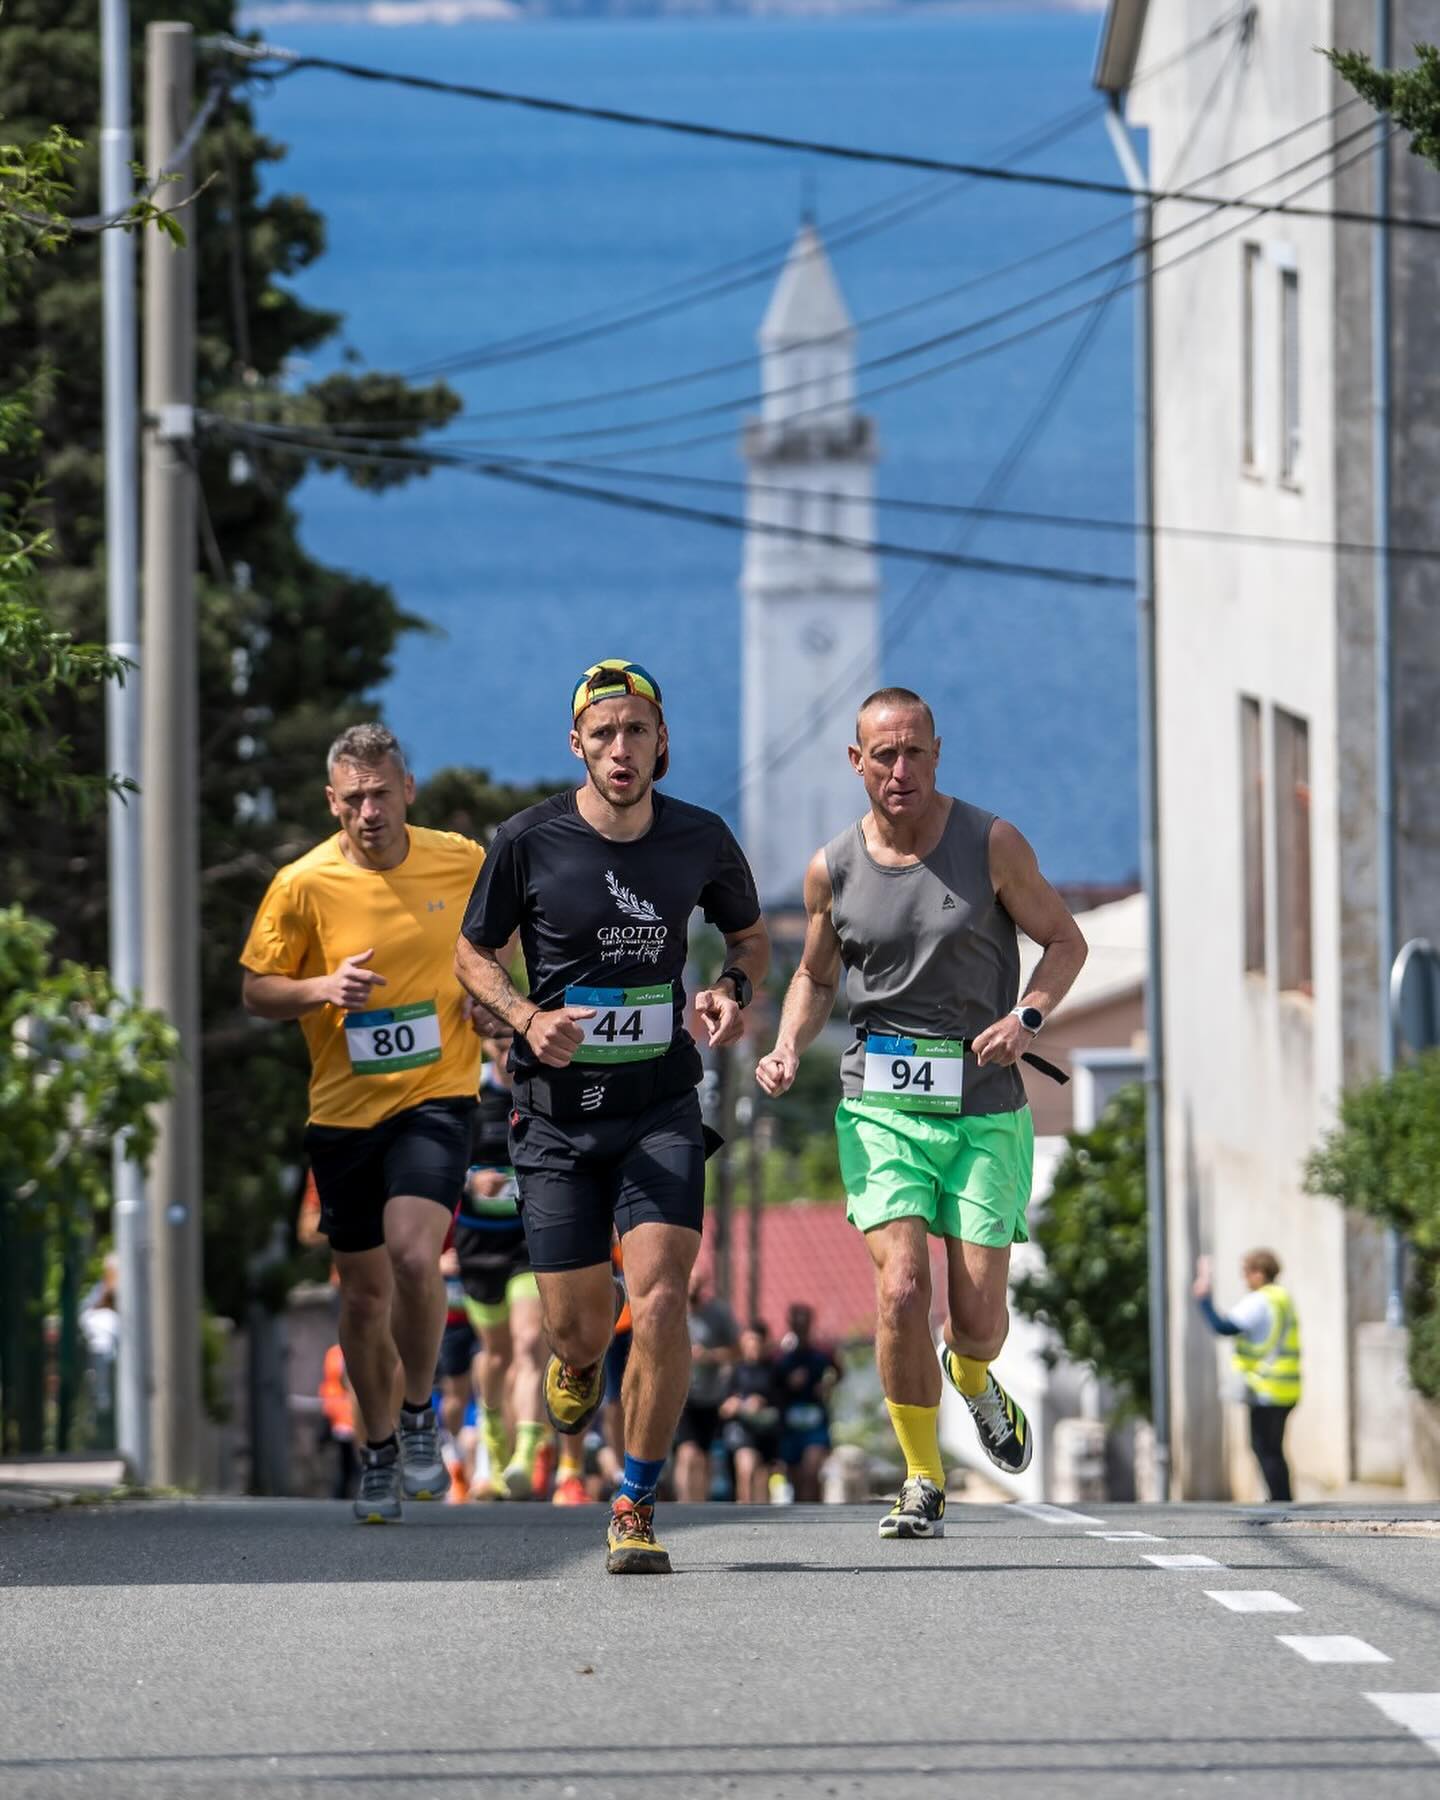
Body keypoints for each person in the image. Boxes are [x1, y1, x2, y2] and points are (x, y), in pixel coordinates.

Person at [455, 657, 769, 1573]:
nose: (620, 749)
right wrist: (523, 1017)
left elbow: (748, 935)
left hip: (659, 1104)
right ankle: (581, 1367)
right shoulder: (527, 840)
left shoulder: (700, 838)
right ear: (577, 747)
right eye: (603, 735)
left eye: (636, 731)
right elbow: (472, 951)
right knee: (576, 1331)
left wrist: (728, 987)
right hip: (554, 1118)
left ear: (662, 741)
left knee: (662, 1296)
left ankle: (633, 1499)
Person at [756, 687, 1087, 1540]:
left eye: (915, 753)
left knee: (975, 1321)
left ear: (937, 753)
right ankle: (921, 1476)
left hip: (984, 1110)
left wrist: (1028, 1019)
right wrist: (791, 1044)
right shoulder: (833, 867)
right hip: (882, 1107)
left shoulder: (992, 843)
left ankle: (973, 1381)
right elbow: (817, 976)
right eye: (884, 755)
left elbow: (1064, 940)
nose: (900, 770)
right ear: (856, 761)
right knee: (901, 1286)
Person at [240, 722, 486, 1524]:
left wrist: (494, 1000)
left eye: (381, 794)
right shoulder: (302, 884)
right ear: (332, 803)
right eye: (353, 800)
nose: (369, 811)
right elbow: (257, 989)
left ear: (407, 790)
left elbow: (500, 943)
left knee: (417, 1257)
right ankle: (377, 1450)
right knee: (361, 1298)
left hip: (438, 1098)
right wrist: (320, 990)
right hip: (344, 1113)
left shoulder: (462, 860)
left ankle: (420, 1416)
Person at [456, 1024, 550, 1501]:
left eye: (510, 1035)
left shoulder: (542, 1085)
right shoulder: (467, 1091)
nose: (503, 1045)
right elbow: (439, 1158)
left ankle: (525, 1456)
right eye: (494, 1036)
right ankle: (494, 1436)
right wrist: (471, 1184)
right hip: (478, 1245)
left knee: (530, 1342)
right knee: (496, 1355)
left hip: (525, 1241)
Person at [1193, 1249, 1301, 1503]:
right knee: (1274, 1449)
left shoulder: (1260, 1300)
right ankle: (1283, 1500)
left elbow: (1225, 1326)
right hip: (1287, 1388)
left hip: (1267, 1388)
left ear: (1259, 1273)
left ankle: (1280, 1502)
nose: (1244, 1279)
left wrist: (1204, 1299)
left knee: (1264, 1448)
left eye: (1246, 1272)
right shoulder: (1282, 1298)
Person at [675, 1270, 739, 1501]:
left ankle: (699, 1506)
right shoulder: (674, 1310)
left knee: (703, 1455)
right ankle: (684, 1504)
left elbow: (737, 1351)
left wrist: (709, 1355)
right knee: (687, 1452)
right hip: (682, 1395)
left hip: (710, 1396)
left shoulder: (718, 1314)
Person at [773, 1303, 841, 1503]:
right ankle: (800, 1517)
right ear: (790, 1323)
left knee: (811, 1471)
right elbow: (771, 1385)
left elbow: (839, 1371)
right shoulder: (780, 1356)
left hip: (815, 1420)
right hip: (790, 1423)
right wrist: (788, 1384)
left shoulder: (822, 1352)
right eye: (796, 1322)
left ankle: (815, 1513)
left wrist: (827, 1385)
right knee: (795, 1476)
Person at [720, 1320, 781, 1504]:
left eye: (756, 1341)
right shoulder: (734, 1371)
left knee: (762, 1478)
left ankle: (762, 1520)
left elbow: (782, 1402)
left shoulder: (774, 1371)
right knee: (747, 1468)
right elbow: (723, 1407)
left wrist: (762, 1403)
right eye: (748, 1341)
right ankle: (743, 1512)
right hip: (742, 1428)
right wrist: (738, 1405)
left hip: (766, 1429)